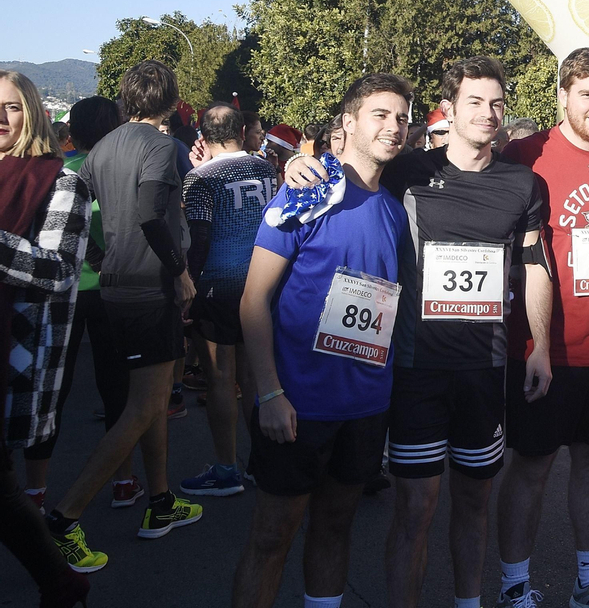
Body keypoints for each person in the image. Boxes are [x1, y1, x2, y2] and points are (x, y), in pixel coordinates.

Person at [284, 57, 549, 608]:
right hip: (414, 372)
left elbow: (534, 265)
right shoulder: (408, 170)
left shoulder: (524, 183)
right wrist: (299, 166)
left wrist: (541, 347)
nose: (487, 113)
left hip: (485, 369)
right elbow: (349, 171)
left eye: (496, 103)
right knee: (415, 509)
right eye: (474, 102)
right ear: (449, 111)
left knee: (474, 505)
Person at [230, 73, 413, 608]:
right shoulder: (307, 191)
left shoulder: (394, 208)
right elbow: (253, 300)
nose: (393, 126)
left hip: (364, 406)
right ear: (348, 123)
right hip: (296, 405)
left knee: (335, 528)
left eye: (401, 117)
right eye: (380, 114)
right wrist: (268, 392)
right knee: (271, 538)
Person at [498, 48, 589, 608]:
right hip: (543, 349)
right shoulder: (524, 154)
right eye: (587, 94)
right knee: (531, 467)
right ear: (562, 97)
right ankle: (514, 586)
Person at [48, 61, 202, 569]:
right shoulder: (158, 147)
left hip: (116, 288)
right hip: (147, 290)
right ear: (172, 100)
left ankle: (159, 503)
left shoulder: (101, 149)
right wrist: (180, 272)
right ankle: (64, 517)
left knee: (150, 400)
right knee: (142, 407)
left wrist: (98, 260)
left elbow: (83, 212)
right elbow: (147, 214)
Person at [0, 70, 92, 607]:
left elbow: (57, 270)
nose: (0, 118)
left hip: (17, 356)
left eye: (11, 107)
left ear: (33, 113)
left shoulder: (62, 182)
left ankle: (61, 581)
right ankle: (61, 582)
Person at [23, 97, 135, 513]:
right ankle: (123, 481)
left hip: (63, 296)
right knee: (117, 392)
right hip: (114, 291)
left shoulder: (59, 173)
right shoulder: (124, 170)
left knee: (51, 395)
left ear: (76, 132)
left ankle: (35, 491)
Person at [178, 103, 278, 498]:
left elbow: (198, 239)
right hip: (263, 283)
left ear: (202, 135)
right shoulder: (267, 169)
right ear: (242, 129)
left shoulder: (200, 179)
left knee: (221, 379)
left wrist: (188, 286)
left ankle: (225, 469)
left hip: (219, 286)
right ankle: (261, 460)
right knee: (256, 377)